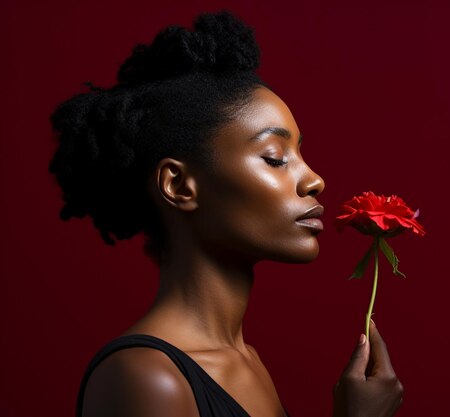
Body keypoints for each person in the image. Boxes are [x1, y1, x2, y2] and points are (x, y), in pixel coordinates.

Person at [49, 10, 404, 417]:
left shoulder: (247, 362)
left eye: (300, 154)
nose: (315, 180)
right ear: (181, 186)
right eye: (274, 158)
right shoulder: (148, 378)